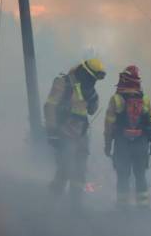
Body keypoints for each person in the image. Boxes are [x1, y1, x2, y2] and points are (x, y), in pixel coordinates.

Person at [44, 58, 106, 210]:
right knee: (65, 168)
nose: (93, 82)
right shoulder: (63, 82)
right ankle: (52, 202)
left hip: (81, 135)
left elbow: (91, 110)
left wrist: (93, 98)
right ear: (85, 73)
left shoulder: (89, 89)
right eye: (91, 78)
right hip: (63, 132)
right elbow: (50, 106)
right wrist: (52, 132)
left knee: (80, 170)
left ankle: (75, 205)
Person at [104, 65, 151, 209]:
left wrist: (108, 146)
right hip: (141, 144)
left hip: (122, 144)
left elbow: (109, 126)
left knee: (123, 176)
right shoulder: (145, 99)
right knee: (140, 176)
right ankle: (143, 208)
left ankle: (122, 209)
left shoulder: (116, 99)